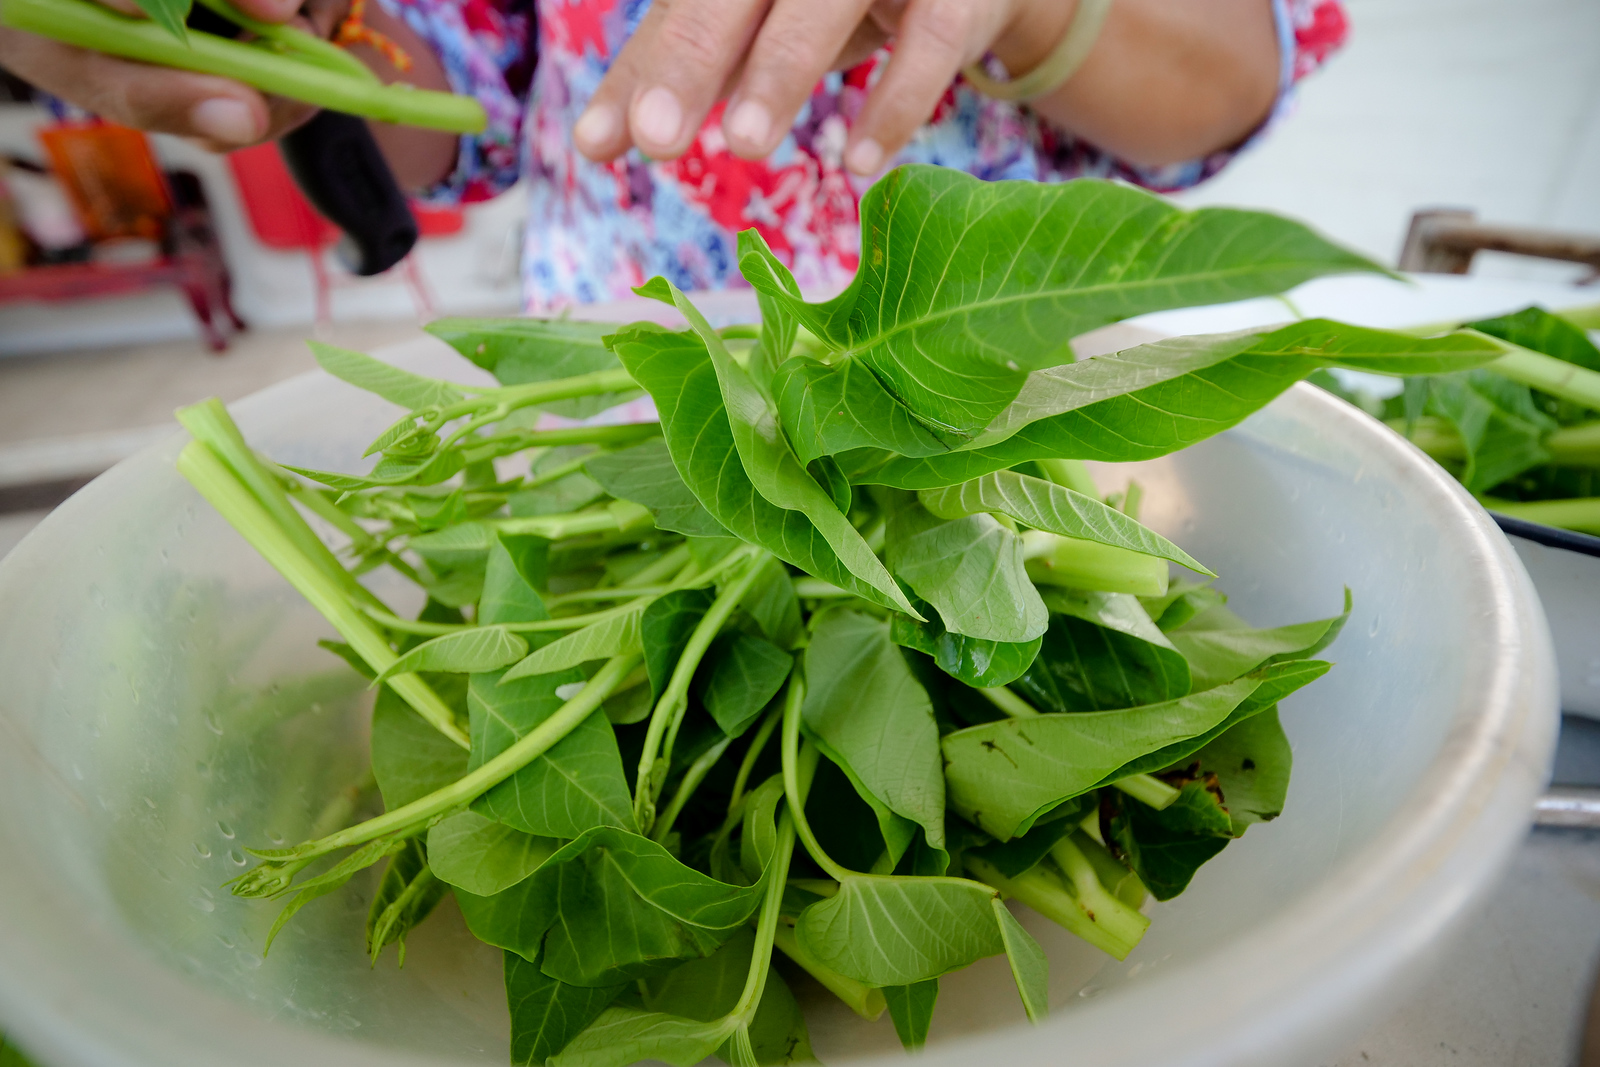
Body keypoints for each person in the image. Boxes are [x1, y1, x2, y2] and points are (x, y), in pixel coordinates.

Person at [0, 0, 1348, 311]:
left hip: (986, 447)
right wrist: (276, 40)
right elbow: (455, 103)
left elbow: (1230, 78)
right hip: (611, 432)